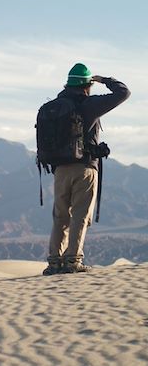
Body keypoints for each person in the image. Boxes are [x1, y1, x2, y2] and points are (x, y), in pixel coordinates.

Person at [43, 63, 130, 275]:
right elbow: (124, 92)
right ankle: (73, 261)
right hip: (84, 169)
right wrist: (104, 80)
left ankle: (55, 261)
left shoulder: (54, 106)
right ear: (86, 84)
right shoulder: (89, 105)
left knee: (60, 216)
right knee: (80, 216)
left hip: (60, 170)